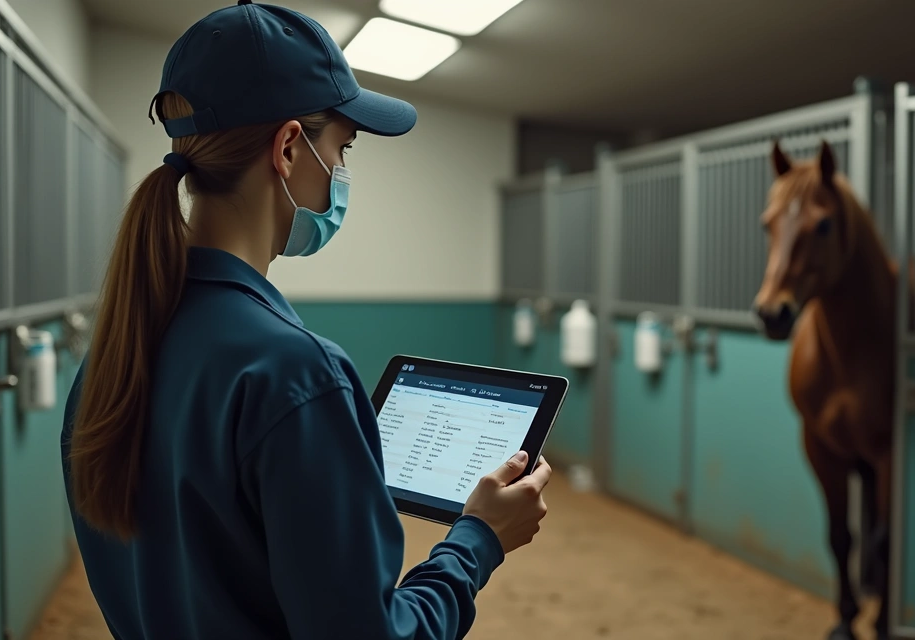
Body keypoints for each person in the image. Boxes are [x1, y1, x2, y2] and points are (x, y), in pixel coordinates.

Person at [59, 1, 552, 638]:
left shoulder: (114, 353)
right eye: (342, 150)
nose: (341, 175)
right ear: (289, 148)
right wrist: (477, 540)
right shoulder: (295, 371)